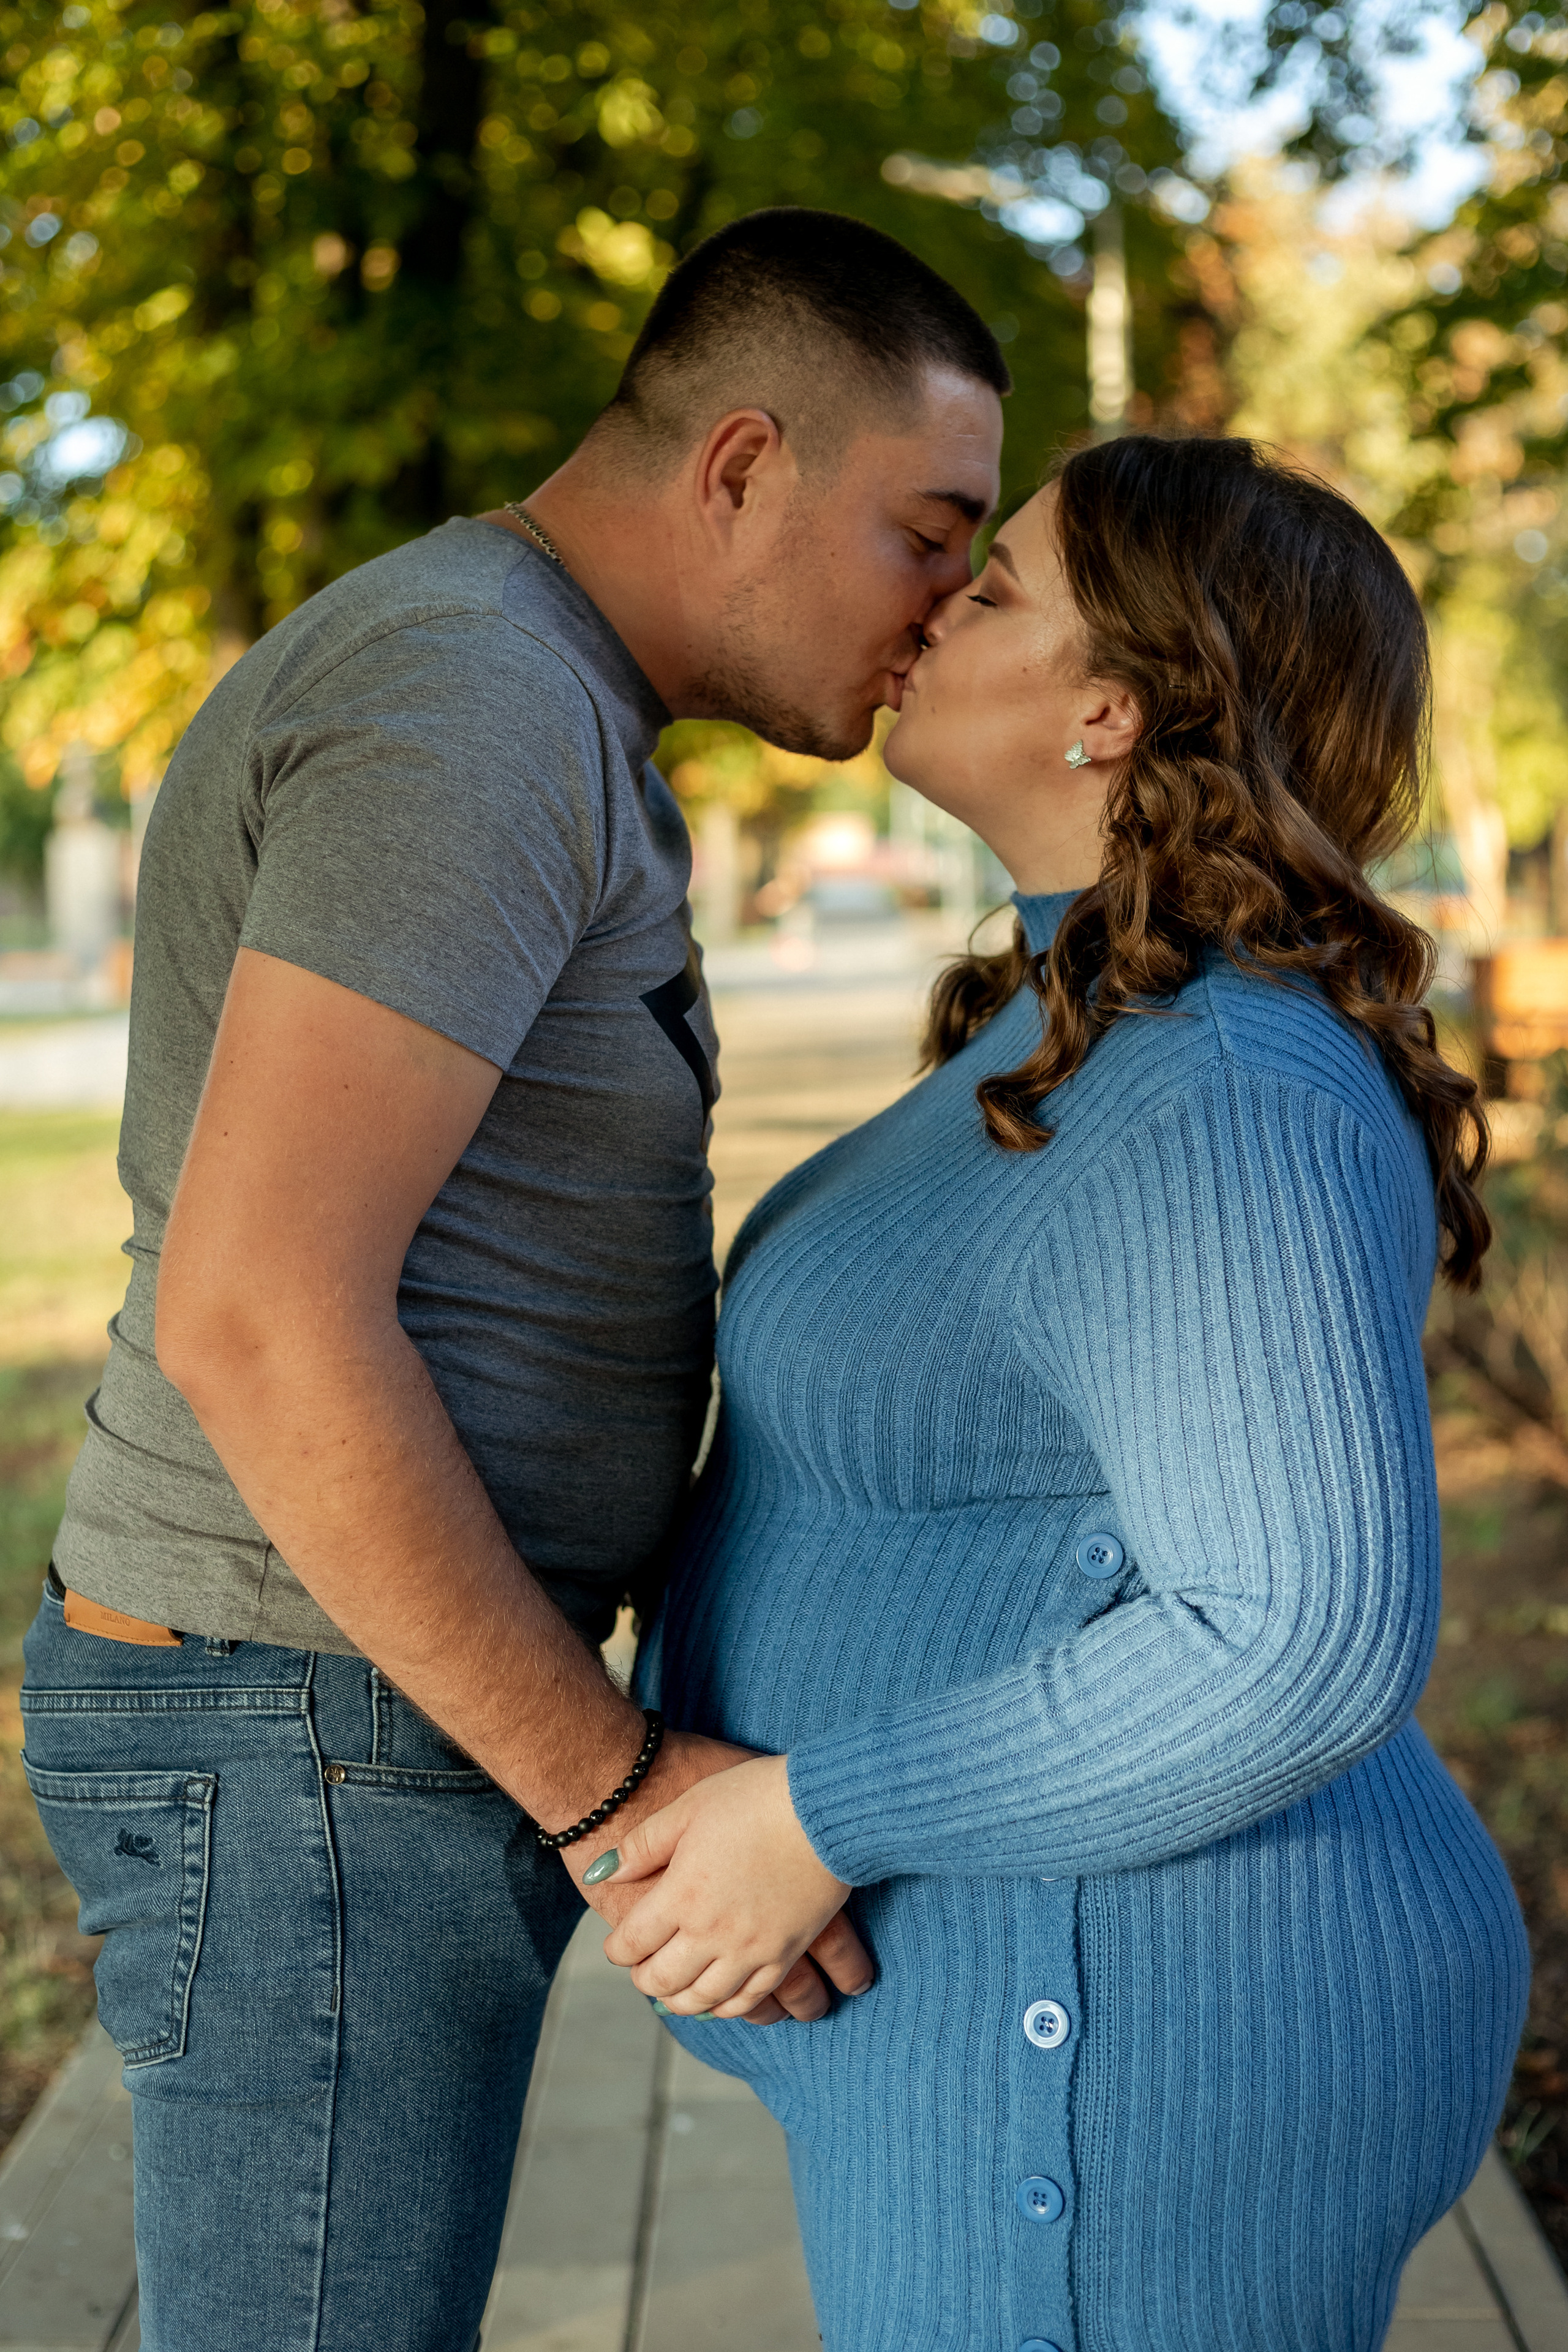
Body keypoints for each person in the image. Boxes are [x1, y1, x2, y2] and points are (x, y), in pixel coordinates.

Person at [18, 208, 1007, 2351]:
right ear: (741, 466)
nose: (949, 607)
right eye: (930, 536)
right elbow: (260, 1310)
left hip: (342, 1713)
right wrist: (617, 1787)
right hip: (304, 1718)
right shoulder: (474, 701)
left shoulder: (540, 700)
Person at [587, 435, 1530, 2352]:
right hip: (1050, 2016)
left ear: (1112, 711)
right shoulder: (1086, 1024)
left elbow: (1297, 1636)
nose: (936, 601)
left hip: (1126, 2044)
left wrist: (810, 1818)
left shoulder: (1222, 1086)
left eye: (997, 587)